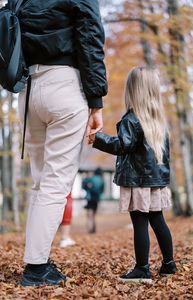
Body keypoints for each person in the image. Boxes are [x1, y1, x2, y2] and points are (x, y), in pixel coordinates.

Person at [14, 0, 107, 287]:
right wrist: (96, 102)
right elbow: (90, 39)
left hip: (28, 91)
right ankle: (35, 270)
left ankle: (36, 260)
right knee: (54, 185)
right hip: (65, 85)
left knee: (41, 183)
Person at [91, 67, 177, 282]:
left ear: (132, 90)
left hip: (138, 181)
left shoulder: (132, 119)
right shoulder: (158, 121)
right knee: (158, 220)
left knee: (140, 223)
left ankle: (142, 269)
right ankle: (169, 264)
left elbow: (122, 145)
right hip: (155, 182)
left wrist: (97, 139)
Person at [82, 168, 104, 233]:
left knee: (89, 215)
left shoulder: (91, 178)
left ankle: (90, 229)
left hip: (90, 198)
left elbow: (84, 186)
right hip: (97, 198)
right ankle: (93, 228)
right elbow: (102, 190)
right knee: (93, 214)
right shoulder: (102, 180)